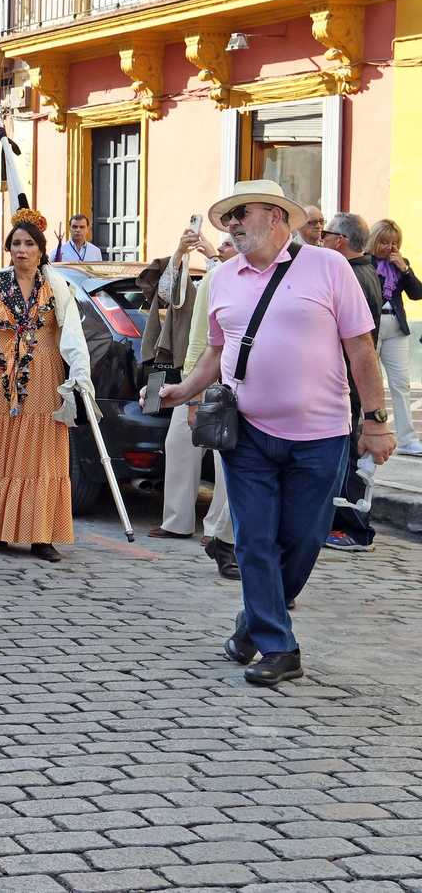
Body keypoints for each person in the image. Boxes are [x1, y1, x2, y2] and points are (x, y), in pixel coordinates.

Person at [155, 180, 393, 686]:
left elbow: (362, 350)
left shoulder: (328, 267)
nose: (232, 223)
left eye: (242, 213)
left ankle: (252, 628)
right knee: (255, 541)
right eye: (228, 217)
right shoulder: (222, 278)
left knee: (302, 541)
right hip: (247, 433)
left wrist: (375, 422)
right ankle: (280, 648)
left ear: (277, 217)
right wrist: (185, 391)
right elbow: (218, 353)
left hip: (322, 435)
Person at [0, 208, 98, 563]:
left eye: (29, 243)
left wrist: (77, 373)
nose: (21, 249)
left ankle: (41, 536)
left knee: (43, 452)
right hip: (3, 375)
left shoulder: (57, 288)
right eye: (16, 243)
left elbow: (68, 335)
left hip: (46, 374)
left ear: (41, 250)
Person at [147, 229, 239, 578]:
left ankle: (216, 529)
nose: (224, 246)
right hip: (193, 375)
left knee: (222, 456)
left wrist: (213, 253)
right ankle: (176, 520)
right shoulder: (207, 279)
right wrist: (181, 251)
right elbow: (168, 294)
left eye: (228, 243)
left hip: (225, 380)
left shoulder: (232, 278)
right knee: (180, 445)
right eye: (225, 241)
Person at [320, 212, 383, 553]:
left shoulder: (352, 277)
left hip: (347, 382)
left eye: (325, 234)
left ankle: (355, 530)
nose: (322, 240)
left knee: (346, 460)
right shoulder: (363, 272)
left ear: (339, 240)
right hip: (349, 380)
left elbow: (357, 342)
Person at [367, 219, 422, 456]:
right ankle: (364, 432)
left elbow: (417, 294)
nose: (390, 248)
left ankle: (408, 440)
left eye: (394, 243)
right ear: (374, 240)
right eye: (384, 242)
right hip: (371, 326)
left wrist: (404, 269)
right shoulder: (364, 263)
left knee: (401, 384)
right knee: (368, 383)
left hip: (396, 327)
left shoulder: (401, 264)